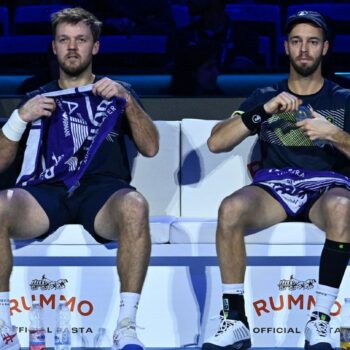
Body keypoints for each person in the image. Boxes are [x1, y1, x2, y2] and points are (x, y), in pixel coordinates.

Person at [0, 7, 159, 350]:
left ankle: (127, 325)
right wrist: (18, 118)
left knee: (135, 205)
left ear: (95, 47)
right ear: (54, 48)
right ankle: (4, 326)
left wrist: (127, 100)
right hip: (46, 193)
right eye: (64, 40)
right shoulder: (36, 97)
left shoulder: (119, 92)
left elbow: (151, 147)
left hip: (102, 193)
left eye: (81, 40)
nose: (72, 47)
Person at [203, 10, 350, 350]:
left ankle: (320, 322)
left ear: (325, 48)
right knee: (230, 208)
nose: (304, 49)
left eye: (312, 42)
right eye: (296, 41)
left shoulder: (342, 98)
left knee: (344, 207)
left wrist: (334, 134)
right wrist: (263, 111)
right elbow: (216, 142)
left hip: (326, 186)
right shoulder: (265, 95)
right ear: (285, 47)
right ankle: (235, 320)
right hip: (275, 186)